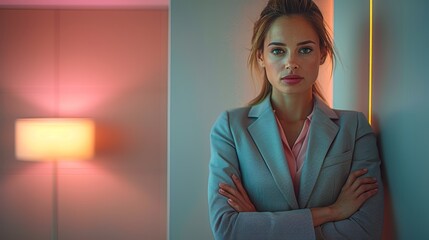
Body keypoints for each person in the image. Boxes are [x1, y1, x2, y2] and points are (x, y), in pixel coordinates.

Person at [207, 0, 384, 239]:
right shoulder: (230, 128)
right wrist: (332, 211)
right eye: (278, 50)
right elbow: (227, 230)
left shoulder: (354, 127)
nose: (291, 62)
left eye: (305, 49)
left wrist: (259, 220)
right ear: (261, 56)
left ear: (323, 53)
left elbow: (365, 231)